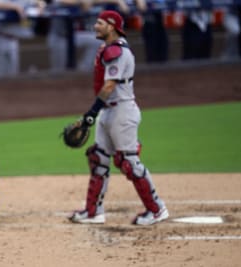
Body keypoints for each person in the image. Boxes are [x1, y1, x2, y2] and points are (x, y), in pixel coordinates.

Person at [69, 10, 168, 225]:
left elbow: (110, 85)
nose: (96, 26)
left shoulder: (118, 52)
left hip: (122, 112)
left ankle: (157, 209)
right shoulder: (106, 49)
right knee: (98, 159)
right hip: (108, 110)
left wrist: (90, 115)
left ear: (112, 26)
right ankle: (94, 211)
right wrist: (96, 113)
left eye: (100, 23)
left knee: (128, 163)